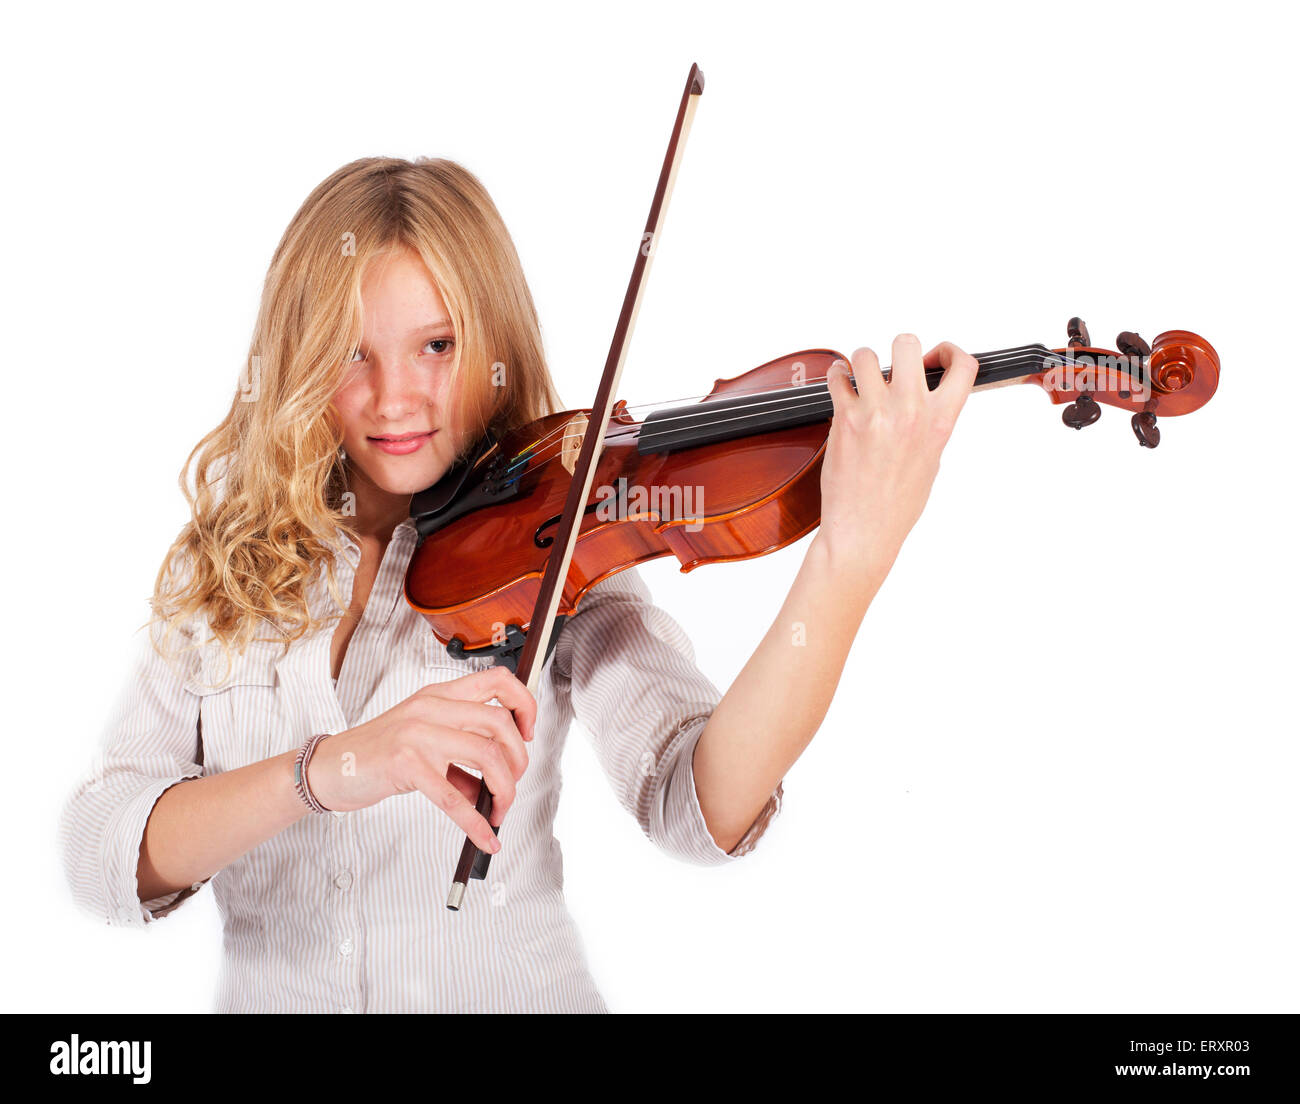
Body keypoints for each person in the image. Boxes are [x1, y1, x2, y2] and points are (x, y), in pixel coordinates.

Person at [57, 156, 978, 1013]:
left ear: (490, 338)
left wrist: (848, 561)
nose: (394, 398)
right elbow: (105, 855)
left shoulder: (558, 543)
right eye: (351, 351)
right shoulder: (227, 563)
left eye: (438, 346)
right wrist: (336, 767)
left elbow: (700, 805)